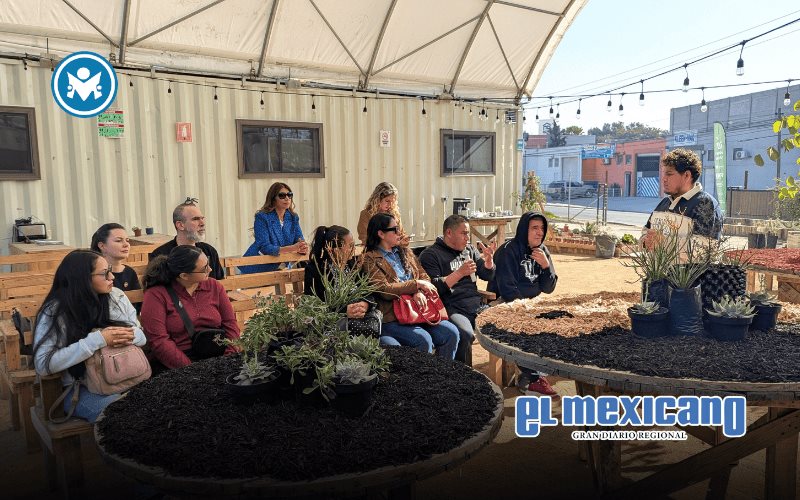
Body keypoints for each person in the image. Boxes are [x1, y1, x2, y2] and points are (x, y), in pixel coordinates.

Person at [33, 250, 146, 422]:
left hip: (129, 377)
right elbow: (43, 364)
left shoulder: (116, 296)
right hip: (81, 388)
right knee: (123, 416)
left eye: (109, 270)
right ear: (82, 279)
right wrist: (98, 340)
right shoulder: (55, 311)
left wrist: (127, 335)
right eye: (104, 273)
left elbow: (141, 335)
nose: (112, 277)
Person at [361, 213, 459, 358]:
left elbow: (424, 277)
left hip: (419, 310)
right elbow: (384, 290)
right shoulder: (370, 259)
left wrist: (418, 290)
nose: (399, 232)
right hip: (393, 317)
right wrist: (416, 285)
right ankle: (420, 380)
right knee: (422, 340)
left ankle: (441, 376)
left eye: (399, 227)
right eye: (394, 229)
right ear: (381, 233)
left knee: (451, 333)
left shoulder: (405, 252)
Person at [488, 212, 559, 396]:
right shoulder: (508, 251)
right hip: (505, 301)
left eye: (542, 229)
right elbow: (507, 289)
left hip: (532, 302)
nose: (539, 233)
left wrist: (546, 267)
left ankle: (531, 375)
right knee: (526, 325)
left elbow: (549, 288)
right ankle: (533, 378)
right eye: (534, 228)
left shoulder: (542, 251)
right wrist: (526, 309)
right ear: (523, 229)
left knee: (559, 321)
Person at [140, 245, 240, 371]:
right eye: (204, 268)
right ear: (184, 276)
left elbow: (230, 324)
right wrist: (191, 369)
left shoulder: (214, 286)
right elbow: (159, 341)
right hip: (179, 361)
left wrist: (228, 357)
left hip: (219, 353)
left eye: (208, 264)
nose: (210, 269)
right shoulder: (156, 294)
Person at [304, 224, 400, 347]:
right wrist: (343, 312)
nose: (353, 249)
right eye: (350, 246)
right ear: (335, 249)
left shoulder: (352, 265)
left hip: (361, 321)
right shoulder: (316, 270)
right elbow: (312, 304)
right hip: (333, 324)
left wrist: (365, 304)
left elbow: (369, 292)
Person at [420, 215, 496, 364]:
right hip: (451, 307)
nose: (467, 237)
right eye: (464, 233)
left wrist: (488, 261)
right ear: (449, 233)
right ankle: (463, 374)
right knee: (465, 334)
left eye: (468, 233)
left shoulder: (469, 250)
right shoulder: (431, 255)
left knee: (503, 323)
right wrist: (459, 273)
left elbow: (487, 275)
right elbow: (433, 288)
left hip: (476, 305)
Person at [641, 148, 723, 250]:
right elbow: (645, 232)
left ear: (687, 175)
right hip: (657, 266)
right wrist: (645, 241)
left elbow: (706, 248)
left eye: (669, 174)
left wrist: (664, 243)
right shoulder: (664, 203)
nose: (663, 178)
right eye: (664, 173)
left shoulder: (705, 204)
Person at [149, 198, 225, 280]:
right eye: (195, 219)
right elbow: (156, 289)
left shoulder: (209, 251)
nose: (202, 223)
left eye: (202, 218)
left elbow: (221, 283)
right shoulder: (160, 255)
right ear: (180, 225)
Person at [241, 182, 308, 273]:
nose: (287, 198)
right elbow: (264, 246)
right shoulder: (262, 217)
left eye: (289, 195)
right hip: (257, 267)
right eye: (282, 195)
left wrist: (303, 247)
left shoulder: (293, 217)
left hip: (281, 269)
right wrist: (293, 248)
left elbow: (299, 241)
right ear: (273, 199)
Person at [90, 223, 141, 293]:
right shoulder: (94, 274)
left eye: (127, 240)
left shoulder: (130, 272)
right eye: (118, 240)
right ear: (102, 246)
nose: (126, 244)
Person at [357, 182, 409, 246]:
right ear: (377, 199)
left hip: (395, 252)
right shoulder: (366, 214)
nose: (390, 204)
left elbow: (400, 233)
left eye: (393, 201)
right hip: (374, 253)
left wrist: (404, 240)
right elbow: (364, 238)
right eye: (387, 201)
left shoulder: (395, 214)